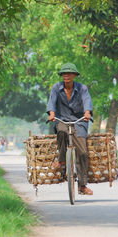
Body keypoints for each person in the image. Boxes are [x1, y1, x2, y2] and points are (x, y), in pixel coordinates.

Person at [46, 63, 94, 196]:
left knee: (83, 153)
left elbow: (87, 101)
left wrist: (87, 112)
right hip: (63, 120)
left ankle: (82, 185)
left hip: (79, 121)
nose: (66, 76)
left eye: (69, 73)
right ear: (62, 76)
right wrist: (51, 113)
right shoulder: (56, 88)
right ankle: (62, 159)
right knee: (61, 131)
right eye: (64, 74)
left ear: (74, 75)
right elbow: (51, 102)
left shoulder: (82, 88)